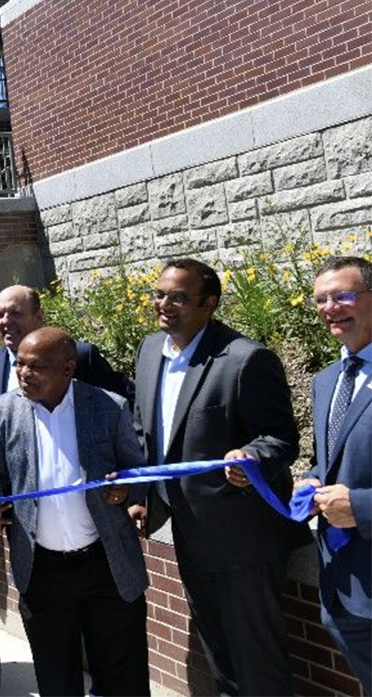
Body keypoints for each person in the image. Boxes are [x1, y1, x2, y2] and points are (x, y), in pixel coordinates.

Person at [132, 258, 308, 695]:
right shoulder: (150, 351)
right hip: (190, 535)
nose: (163, 305)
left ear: (209, 304)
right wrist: (141, 493)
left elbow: (281, 437)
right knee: (221, 660)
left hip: (243, 540)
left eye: (178, 298)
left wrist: (251, 456)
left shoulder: (246, 359)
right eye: (159, 294)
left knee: (258, 664)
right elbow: (145, 431)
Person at [0, 328, 150, 696]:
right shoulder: (2, 410)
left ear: (68, 368)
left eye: (35, 366)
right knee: (56, 678)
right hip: (42, 569)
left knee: (123, 674)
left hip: (107, 564)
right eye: (20, 363)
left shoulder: (108, 406)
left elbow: (137, 470)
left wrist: (126, 487)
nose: (23, 373)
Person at [296, 255, 371, 691]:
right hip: (342, 586)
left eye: (343, 295)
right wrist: (312, 479)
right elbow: (334, 460)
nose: (330, 308)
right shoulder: (327, 380)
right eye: (321, 299)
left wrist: (359, 506)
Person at [0, 285, 133, 402]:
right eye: (0, 315)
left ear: (38, 317)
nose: (5, 321)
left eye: (15, 313)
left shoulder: (80, 357)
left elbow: (125, 405)